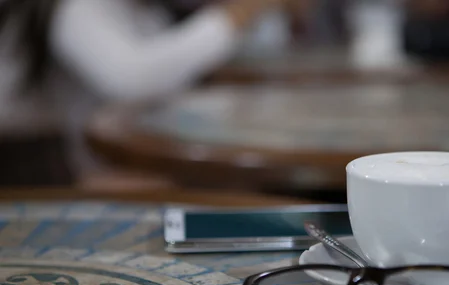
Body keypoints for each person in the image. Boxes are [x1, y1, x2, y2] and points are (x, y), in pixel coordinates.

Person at [0, 0, 306, 187]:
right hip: (66, 173)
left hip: (108, 162)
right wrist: (238, 13)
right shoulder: (74, 8)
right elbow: (133, 79)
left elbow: (173, 72)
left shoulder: (136, 8)